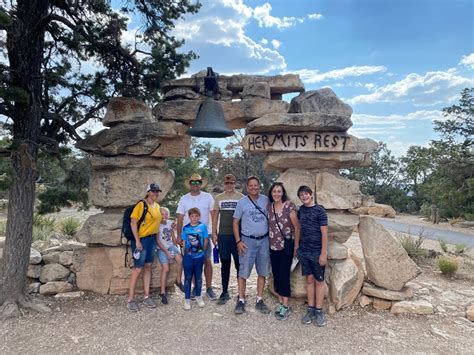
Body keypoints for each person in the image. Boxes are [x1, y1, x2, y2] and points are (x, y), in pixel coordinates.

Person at [232, 176, 271, 315]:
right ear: (247, 187)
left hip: (264, 241)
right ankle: (241, 299)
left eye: (256, 185)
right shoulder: (242, 202)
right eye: (251, 186)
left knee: (262, 271)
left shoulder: (266, 200)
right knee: (243, 271)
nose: (254, 187)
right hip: (247, 241)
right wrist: (238, 241)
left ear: (259, 186)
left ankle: (259, 299)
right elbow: (235, 222)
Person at [176, 173, 216, 301]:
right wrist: (179, 237)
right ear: (190, 184)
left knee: (207, 261)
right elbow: (180, 217)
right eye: (192, 182)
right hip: (189, 237)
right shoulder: (184, 199)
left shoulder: (208, 197)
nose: (195, 185)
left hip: (204, 235)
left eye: (197, 182)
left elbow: (214, 214)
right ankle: (195, 287)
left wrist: (214, 232)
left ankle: (209, 288)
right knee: (192, 262)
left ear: (200, 184)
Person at [127, 183, 162, 312]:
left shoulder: (157, 206)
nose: (155, 193)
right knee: (138, 268)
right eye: (153, 191)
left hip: (152, 240)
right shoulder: (142, 205)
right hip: (142, 240)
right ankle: (130, 299)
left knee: (148, 267)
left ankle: (146, 296)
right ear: (148, 192)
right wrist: (137, 241)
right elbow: (133, 222)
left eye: (157, 191)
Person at [267, 182, 300, 320]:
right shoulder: (269, 207)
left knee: (284, 275)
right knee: (276, 275)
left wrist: (296, 246)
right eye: (274, 191)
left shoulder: (289, 206)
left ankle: (285, 306)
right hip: (273, 247)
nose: (276, 194)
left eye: (279, 191)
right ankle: (281, 302)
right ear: (271, 193)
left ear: (283, 193)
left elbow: (297, 227)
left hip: (286, 248)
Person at [297, 185, 328, 327]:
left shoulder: (320, 211)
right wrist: (297, 246)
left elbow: (324, 234)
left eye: (306, 194)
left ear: (311, 195)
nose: (304, 197)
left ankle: (319, 311)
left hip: (317, 252)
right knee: (309, 279)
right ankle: (310, 309)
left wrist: (323, 253)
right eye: (301, 195)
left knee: (319, 281)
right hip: (304, 251)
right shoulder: (301, 210)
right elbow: (298, 228)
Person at [211, 174, 244, 305]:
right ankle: (224, 292)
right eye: (227, 183)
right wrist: (214, 233)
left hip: (237, 237)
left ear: (235, 184)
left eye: (231, 183)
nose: (229, 185)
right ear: (224, 184)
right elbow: (214, 217)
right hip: (223, 236)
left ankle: (241, 292)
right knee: (225, 264)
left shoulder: (241, 198)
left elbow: (245, 216)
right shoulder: (219, 198)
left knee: (238, 264)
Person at [178, 207, 209, 310]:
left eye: (196, 216)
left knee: (198, 277)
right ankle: (187, 299)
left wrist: (203, 252)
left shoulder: (203, 227)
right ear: (189, 217)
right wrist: (184, 254)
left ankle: (198, 296)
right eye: (192, 216)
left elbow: (205, 240)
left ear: (199, 216)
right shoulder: (186, 228)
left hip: (199, 256)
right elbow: (183, 242)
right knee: (187, 277)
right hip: (188, 257)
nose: (194, 218)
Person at [156, 207, 184, 305]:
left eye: (166, 214)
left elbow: (172, 234)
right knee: (166, 268)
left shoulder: (169, 222)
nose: (164, 216)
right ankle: (162, 292)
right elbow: (158, 241)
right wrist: (167, 253)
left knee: (180, 260)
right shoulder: (156, 225)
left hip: (170, 246)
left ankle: (179, 281)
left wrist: (175, 245)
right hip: (161, 248)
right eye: (162, 214)